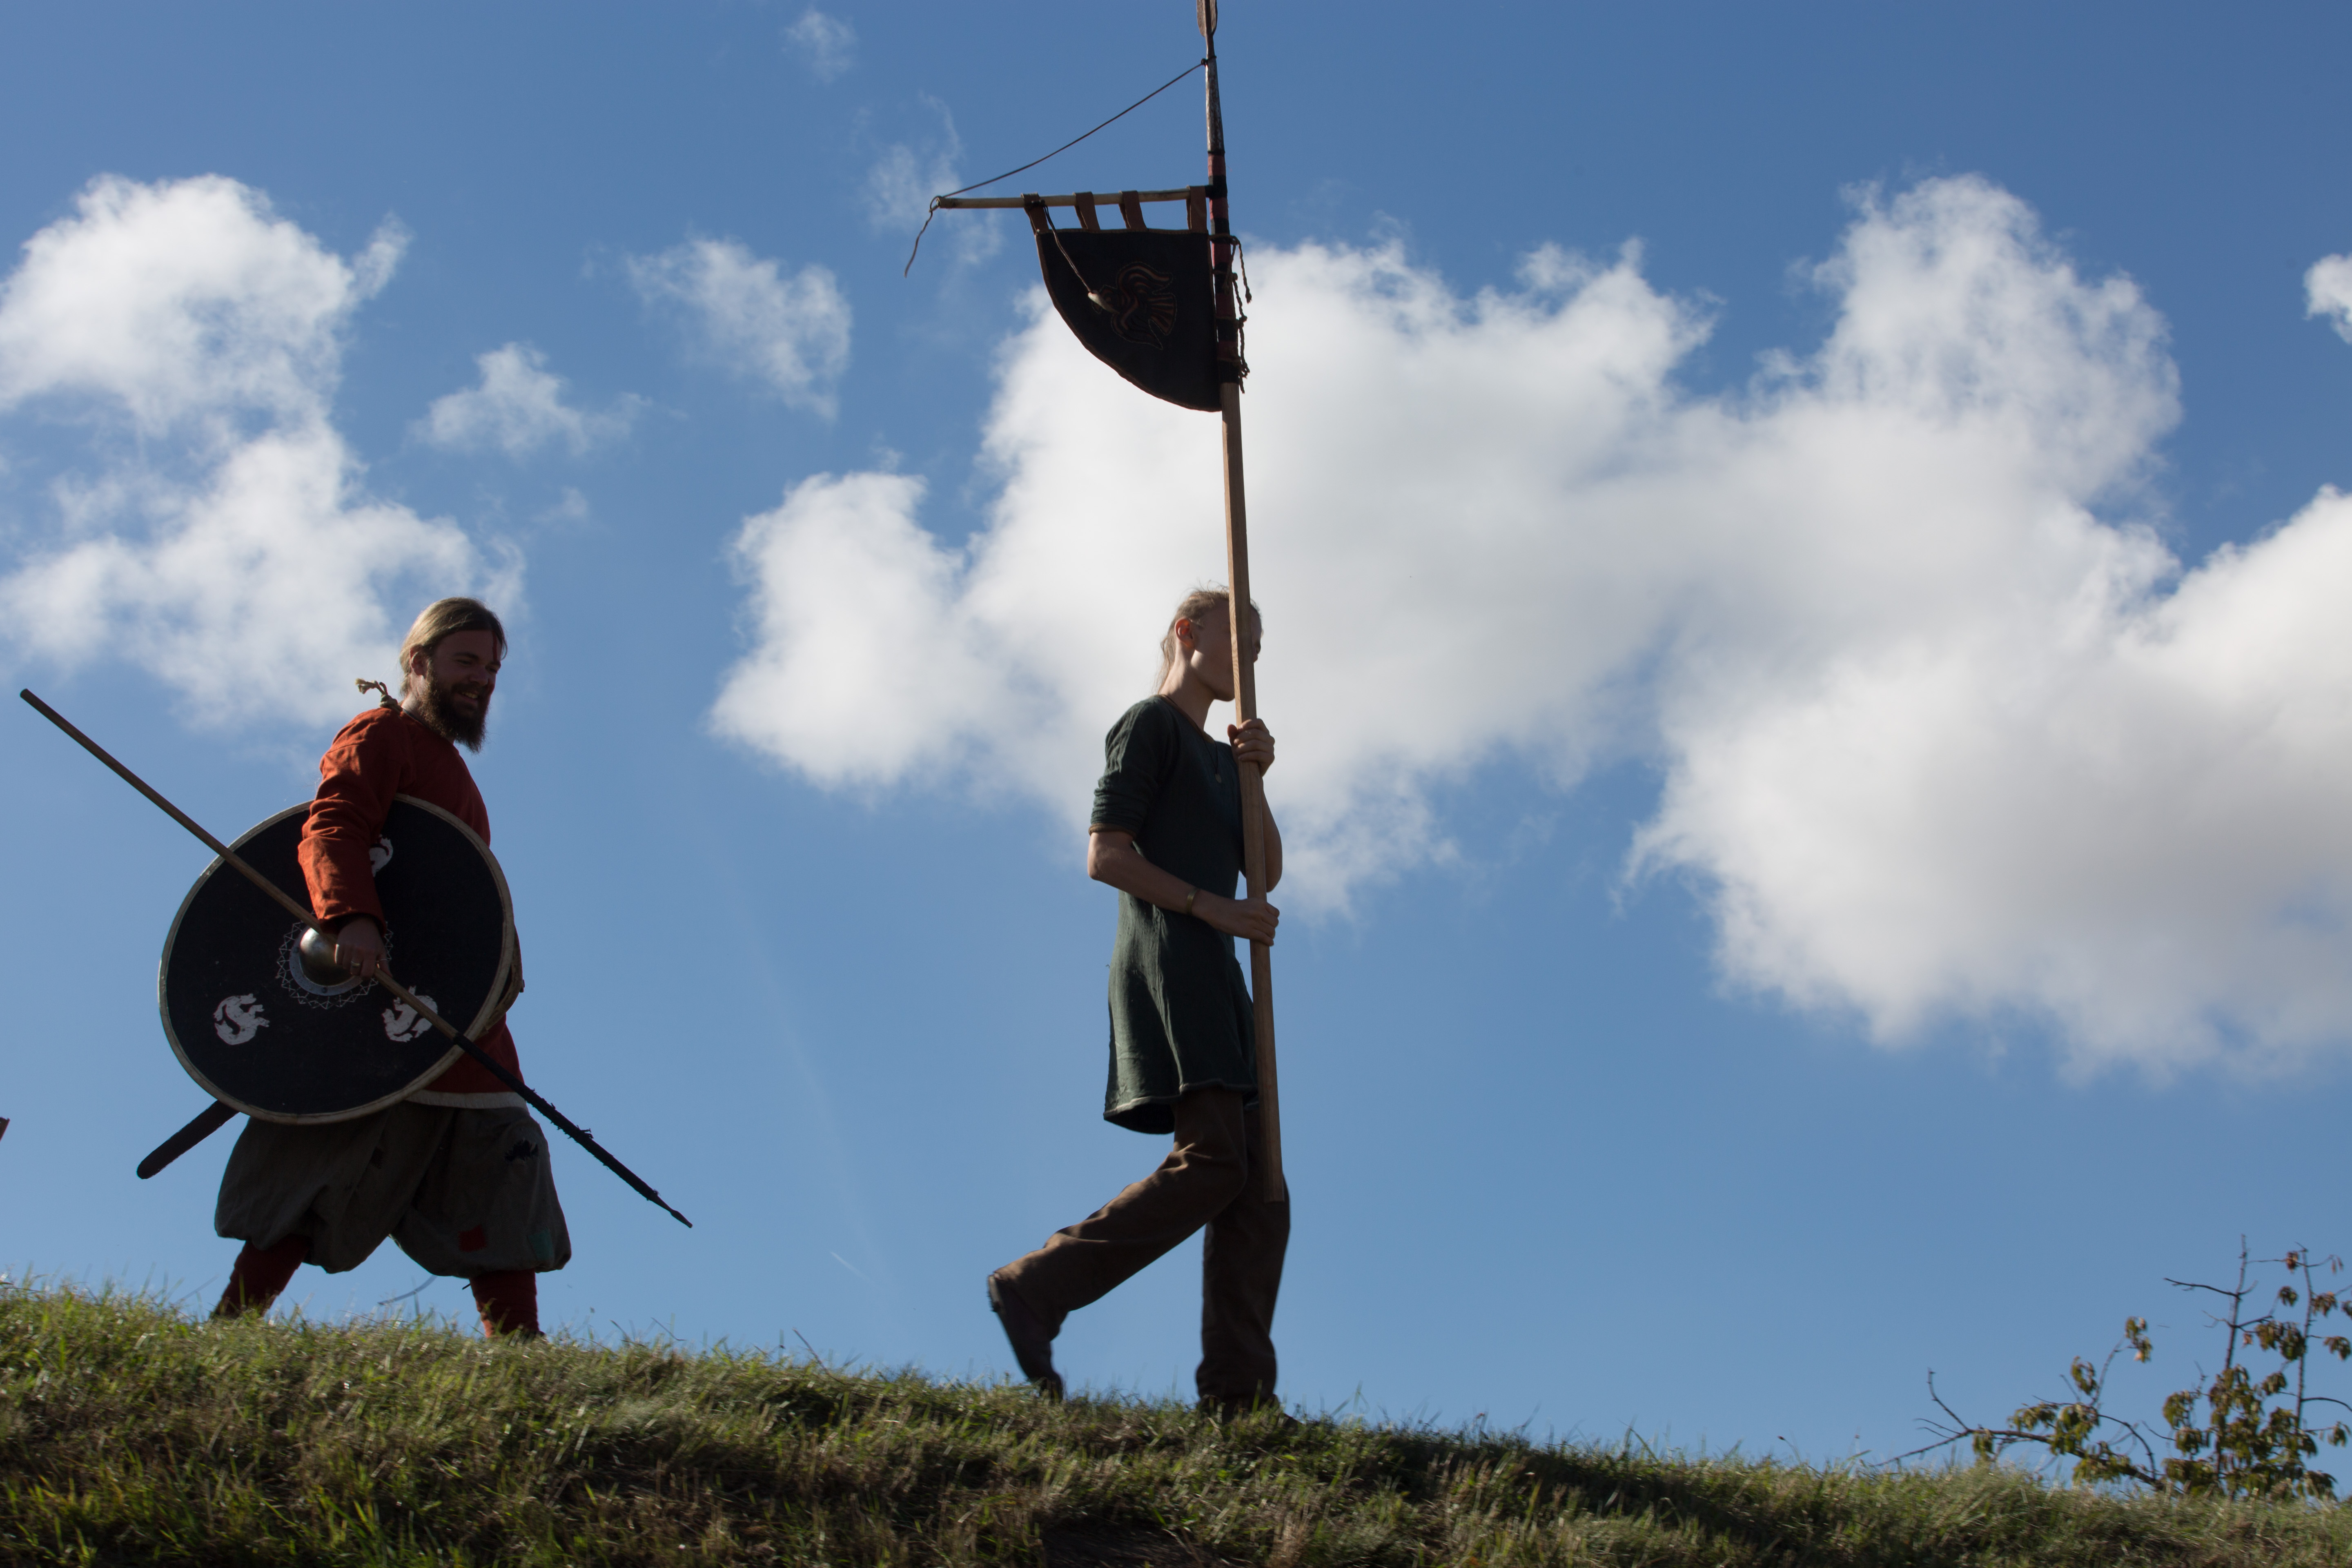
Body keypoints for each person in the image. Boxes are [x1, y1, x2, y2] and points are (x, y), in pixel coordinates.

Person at [209, 597, 569, 1338]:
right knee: (316, 1165)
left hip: (454, 1010)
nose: (481, 680)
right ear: (418, 662)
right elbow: (334, 824)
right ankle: (231, 1332)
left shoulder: (449, 766)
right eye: (466, 661)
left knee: (498, 1157)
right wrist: (353, 918)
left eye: (492, 668)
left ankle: (520, 1355)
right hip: (369, 1001)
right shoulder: (381, 734)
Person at [988, 586, 1290, 1414]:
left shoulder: (1223, 758)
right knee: (1217, 1160)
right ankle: (1037, 1285)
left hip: (1220, 972)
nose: (1250, 662)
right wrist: (1209, 907)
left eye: (1259, 652)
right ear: (1188, 633)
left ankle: (1237, 1396)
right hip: (1172, 957)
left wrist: (1256, 777)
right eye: (1240, 641)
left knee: (1261, 1187)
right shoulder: (1149, 725)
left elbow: (1266, 871)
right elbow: (1107, 856)